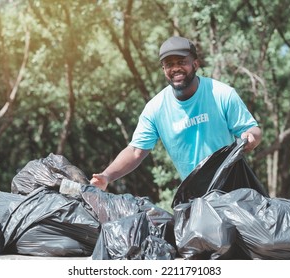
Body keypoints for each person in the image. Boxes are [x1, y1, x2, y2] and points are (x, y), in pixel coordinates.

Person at [90, 36, 262, 191]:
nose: (176, 68)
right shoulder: (155, 109)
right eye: (169, 64)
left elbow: (253, 130)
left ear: (195, 64)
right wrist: (107, 176)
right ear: (164, 70)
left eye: (181, 62)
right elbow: (135, 151)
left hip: (234, 190)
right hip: (195, 197)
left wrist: (251, 137)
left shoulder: (221, 94)